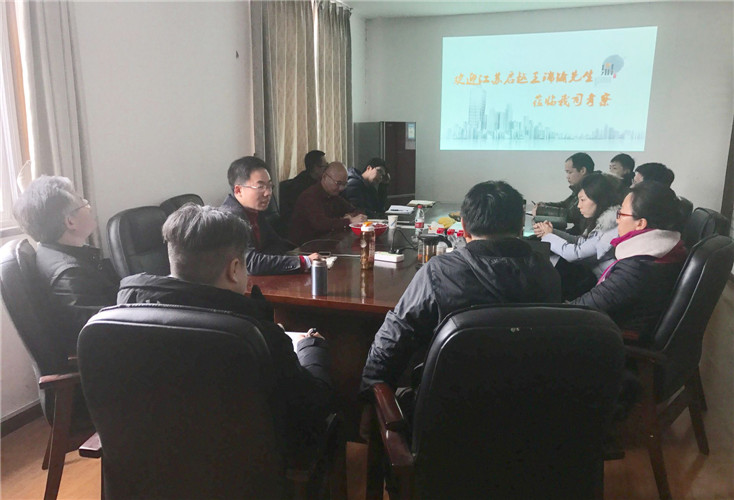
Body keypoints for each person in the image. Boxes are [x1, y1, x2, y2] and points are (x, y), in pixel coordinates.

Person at [117, 204, 333, 464]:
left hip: (153, 459)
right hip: (247, 465)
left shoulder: (123, 315)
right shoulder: (252, 335)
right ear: (234, 269)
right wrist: (311, 347)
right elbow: (313, 405)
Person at [361, 181, 562, 394]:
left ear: (463, 227)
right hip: (528, 403)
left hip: (445, 408)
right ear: (521, 225)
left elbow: (393, 339)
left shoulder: (440, 272)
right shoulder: (547, 274)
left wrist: (370, 395)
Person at [12, 176, 119, 355]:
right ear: (70, 222)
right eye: (83, 203)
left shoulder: (54, 254)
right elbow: (104, 336)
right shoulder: (69, 276)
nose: (88, 206)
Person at [571, 181, 687, 346]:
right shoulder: (666, 249)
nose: (617, 220)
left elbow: (582, 309)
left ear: (640, 223)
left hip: (612, 340)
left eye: (621, 214)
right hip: (619, 327)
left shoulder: (637, 267)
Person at [219, 156, 319, 275]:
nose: (268, 193)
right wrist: (303, 261)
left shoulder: (254, 211)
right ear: (238, 190)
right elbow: (250, 263)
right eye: (260, 187)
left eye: (269, 186)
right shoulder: (229, 219)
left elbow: (276, 244)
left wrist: (305, 253)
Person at [533, 173, 624, 299]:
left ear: (598, 199)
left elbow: (576, 254)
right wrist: (552, 232)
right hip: (594, 280)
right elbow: (581, 241)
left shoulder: (612, 226)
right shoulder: (604, 221)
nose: (578, 205)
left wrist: (548, 235)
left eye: (583, 200)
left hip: (604, 287)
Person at [289, 162, 367, 245]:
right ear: (324, 177)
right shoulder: (310, 196)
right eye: (338, 183)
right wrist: (349, 221)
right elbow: (321, 224)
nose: (341, 188)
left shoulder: (333, 196)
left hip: (328, 242)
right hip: (306, 246)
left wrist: (352, 215)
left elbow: (357, 210)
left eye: (344, 184)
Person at [535, 152, 595, 234]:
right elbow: (566, 204)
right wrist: (544, 205)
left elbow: (572, 214)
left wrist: (541, 210)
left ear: (582, 170)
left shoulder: (592, 188)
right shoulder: (581, 187)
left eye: (570, 172)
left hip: (583, 235)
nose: (567, 177)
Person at [278, 150, 329, 227]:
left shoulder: (314, 179)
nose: (327, 170)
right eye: (325, 167)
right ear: (316, 168)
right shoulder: (303, 188)